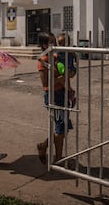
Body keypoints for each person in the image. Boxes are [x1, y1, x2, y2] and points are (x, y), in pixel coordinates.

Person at [36, 32, 72, 164]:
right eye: (51, 42)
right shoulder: (43, 60)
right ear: (44, 45)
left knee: (63, 128)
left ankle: (44, 146)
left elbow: (65, 73)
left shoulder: (56, 57)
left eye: (54, 41)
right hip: (53, 97)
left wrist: (69, 88)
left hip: (62, 93)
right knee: (60, 128)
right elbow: (45, 83)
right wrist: (62, 77)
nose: (54, 44)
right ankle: (58, 159)